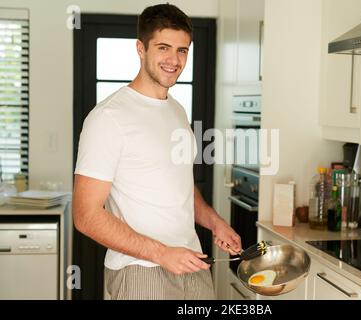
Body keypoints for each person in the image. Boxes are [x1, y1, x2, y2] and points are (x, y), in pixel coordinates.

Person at [72, 4, 242, 300]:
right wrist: (162, 254)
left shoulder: (176, 110)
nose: (174, 60)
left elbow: (180, 187)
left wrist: (215, 223)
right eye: (164, 47)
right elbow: (85, 215)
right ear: (141, 48)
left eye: (182, 50)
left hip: (192, 263)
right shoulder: (108, 118)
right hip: (139, 271)